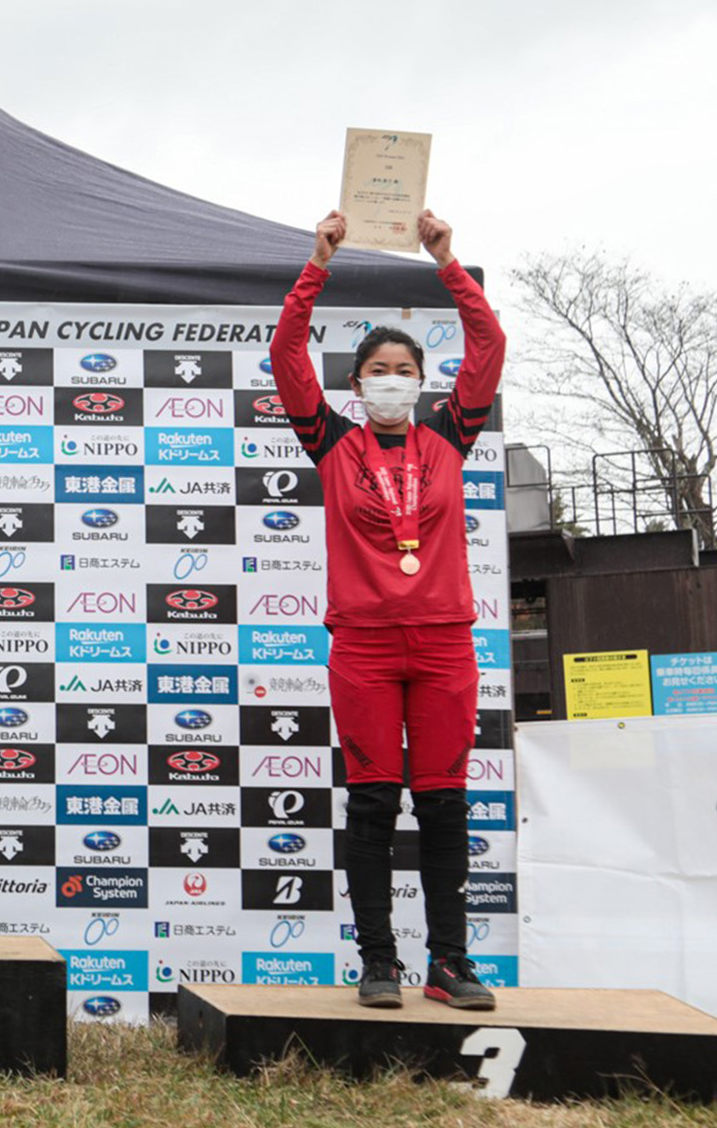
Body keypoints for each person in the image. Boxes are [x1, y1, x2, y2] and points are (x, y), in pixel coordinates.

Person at [271, 208, 505, 1011]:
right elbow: (284, 356)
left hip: (443, 646)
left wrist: (448, 262)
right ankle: (379, 963)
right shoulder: (333, 442)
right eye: (380, 368)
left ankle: (450, 964)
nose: (394, 377)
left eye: (407, 367)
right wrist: (317, 264)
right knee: (372, 800)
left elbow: (490, 349)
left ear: (421, 381)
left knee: (443, 801)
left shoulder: (451, 437)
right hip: (365, 647)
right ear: (358, 383)